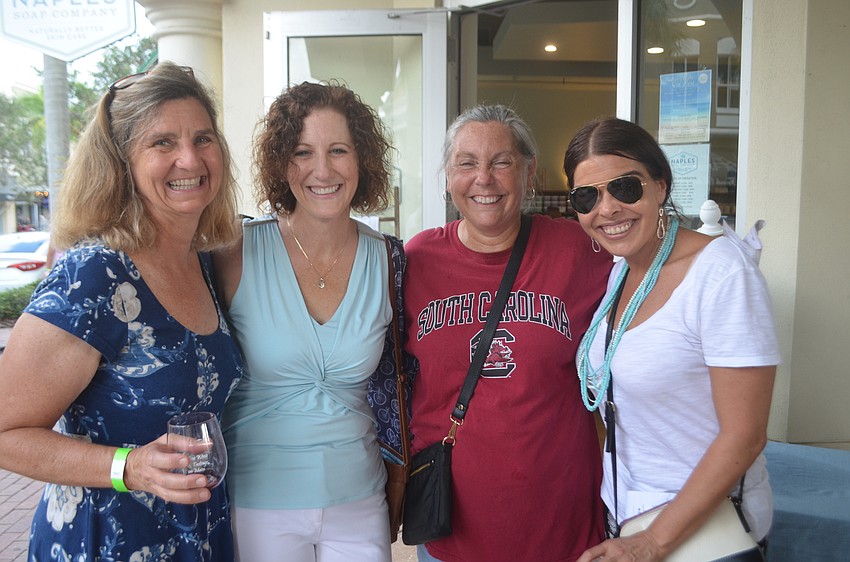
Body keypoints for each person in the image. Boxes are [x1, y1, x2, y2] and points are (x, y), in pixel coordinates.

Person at [0, 62, 244, 561]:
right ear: (122, 163)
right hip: (107, 542)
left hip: (198, 535)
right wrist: (129, 467)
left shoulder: (202, 261)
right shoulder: (97, 273)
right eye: (162, 143)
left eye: (202, 138)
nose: (189, 158)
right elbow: (6, 433)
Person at [563, 117, 780, 562]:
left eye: (625, 187)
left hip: (700, 529)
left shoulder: (722, 275)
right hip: (630, 515)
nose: (607, 209)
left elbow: (745, 436)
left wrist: (651, 542)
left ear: (660, 186)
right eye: (587, 196)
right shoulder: (622, 272)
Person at [403, 105, 613, 562]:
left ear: (528, 172)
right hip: (451, 537)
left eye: (501, 162)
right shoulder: (416, 260)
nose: (484, 178)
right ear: (448, 176)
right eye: (467, 163)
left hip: (563, 533)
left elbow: (648, 275)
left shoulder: (577, 250)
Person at [214, 81, 406, 562]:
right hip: (257, 502)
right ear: (282, 164)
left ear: (362, 159)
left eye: (338, 150)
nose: (323, 170)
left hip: (360, 497)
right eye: (303, 152)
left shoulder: (388, 258)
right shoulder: (236, 250)